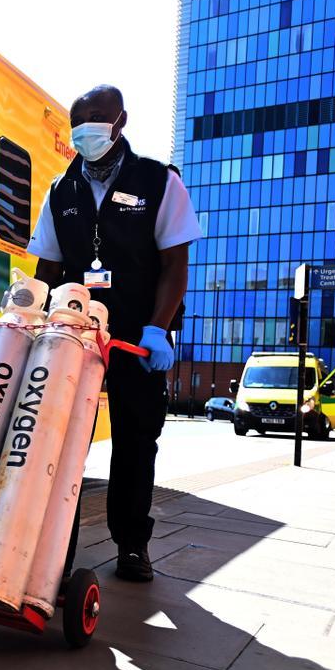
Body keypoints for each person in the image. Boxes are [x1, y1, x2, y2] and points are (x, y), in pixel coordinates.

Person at [28, 85, 201, 582]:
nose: (86, 128)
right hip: (76, 336)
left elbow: (174, 264)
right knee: (61, 443)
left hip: (135, 336)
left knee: (135, 440)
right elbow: (48, 267)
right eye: (77, 120)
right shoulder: (62, 192)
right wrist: (36, 323)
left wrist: (157, 330)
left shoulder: (157, 180)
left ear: (120, 120)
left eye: (97, 117)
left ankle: (131, 545)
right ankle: (53, 549)